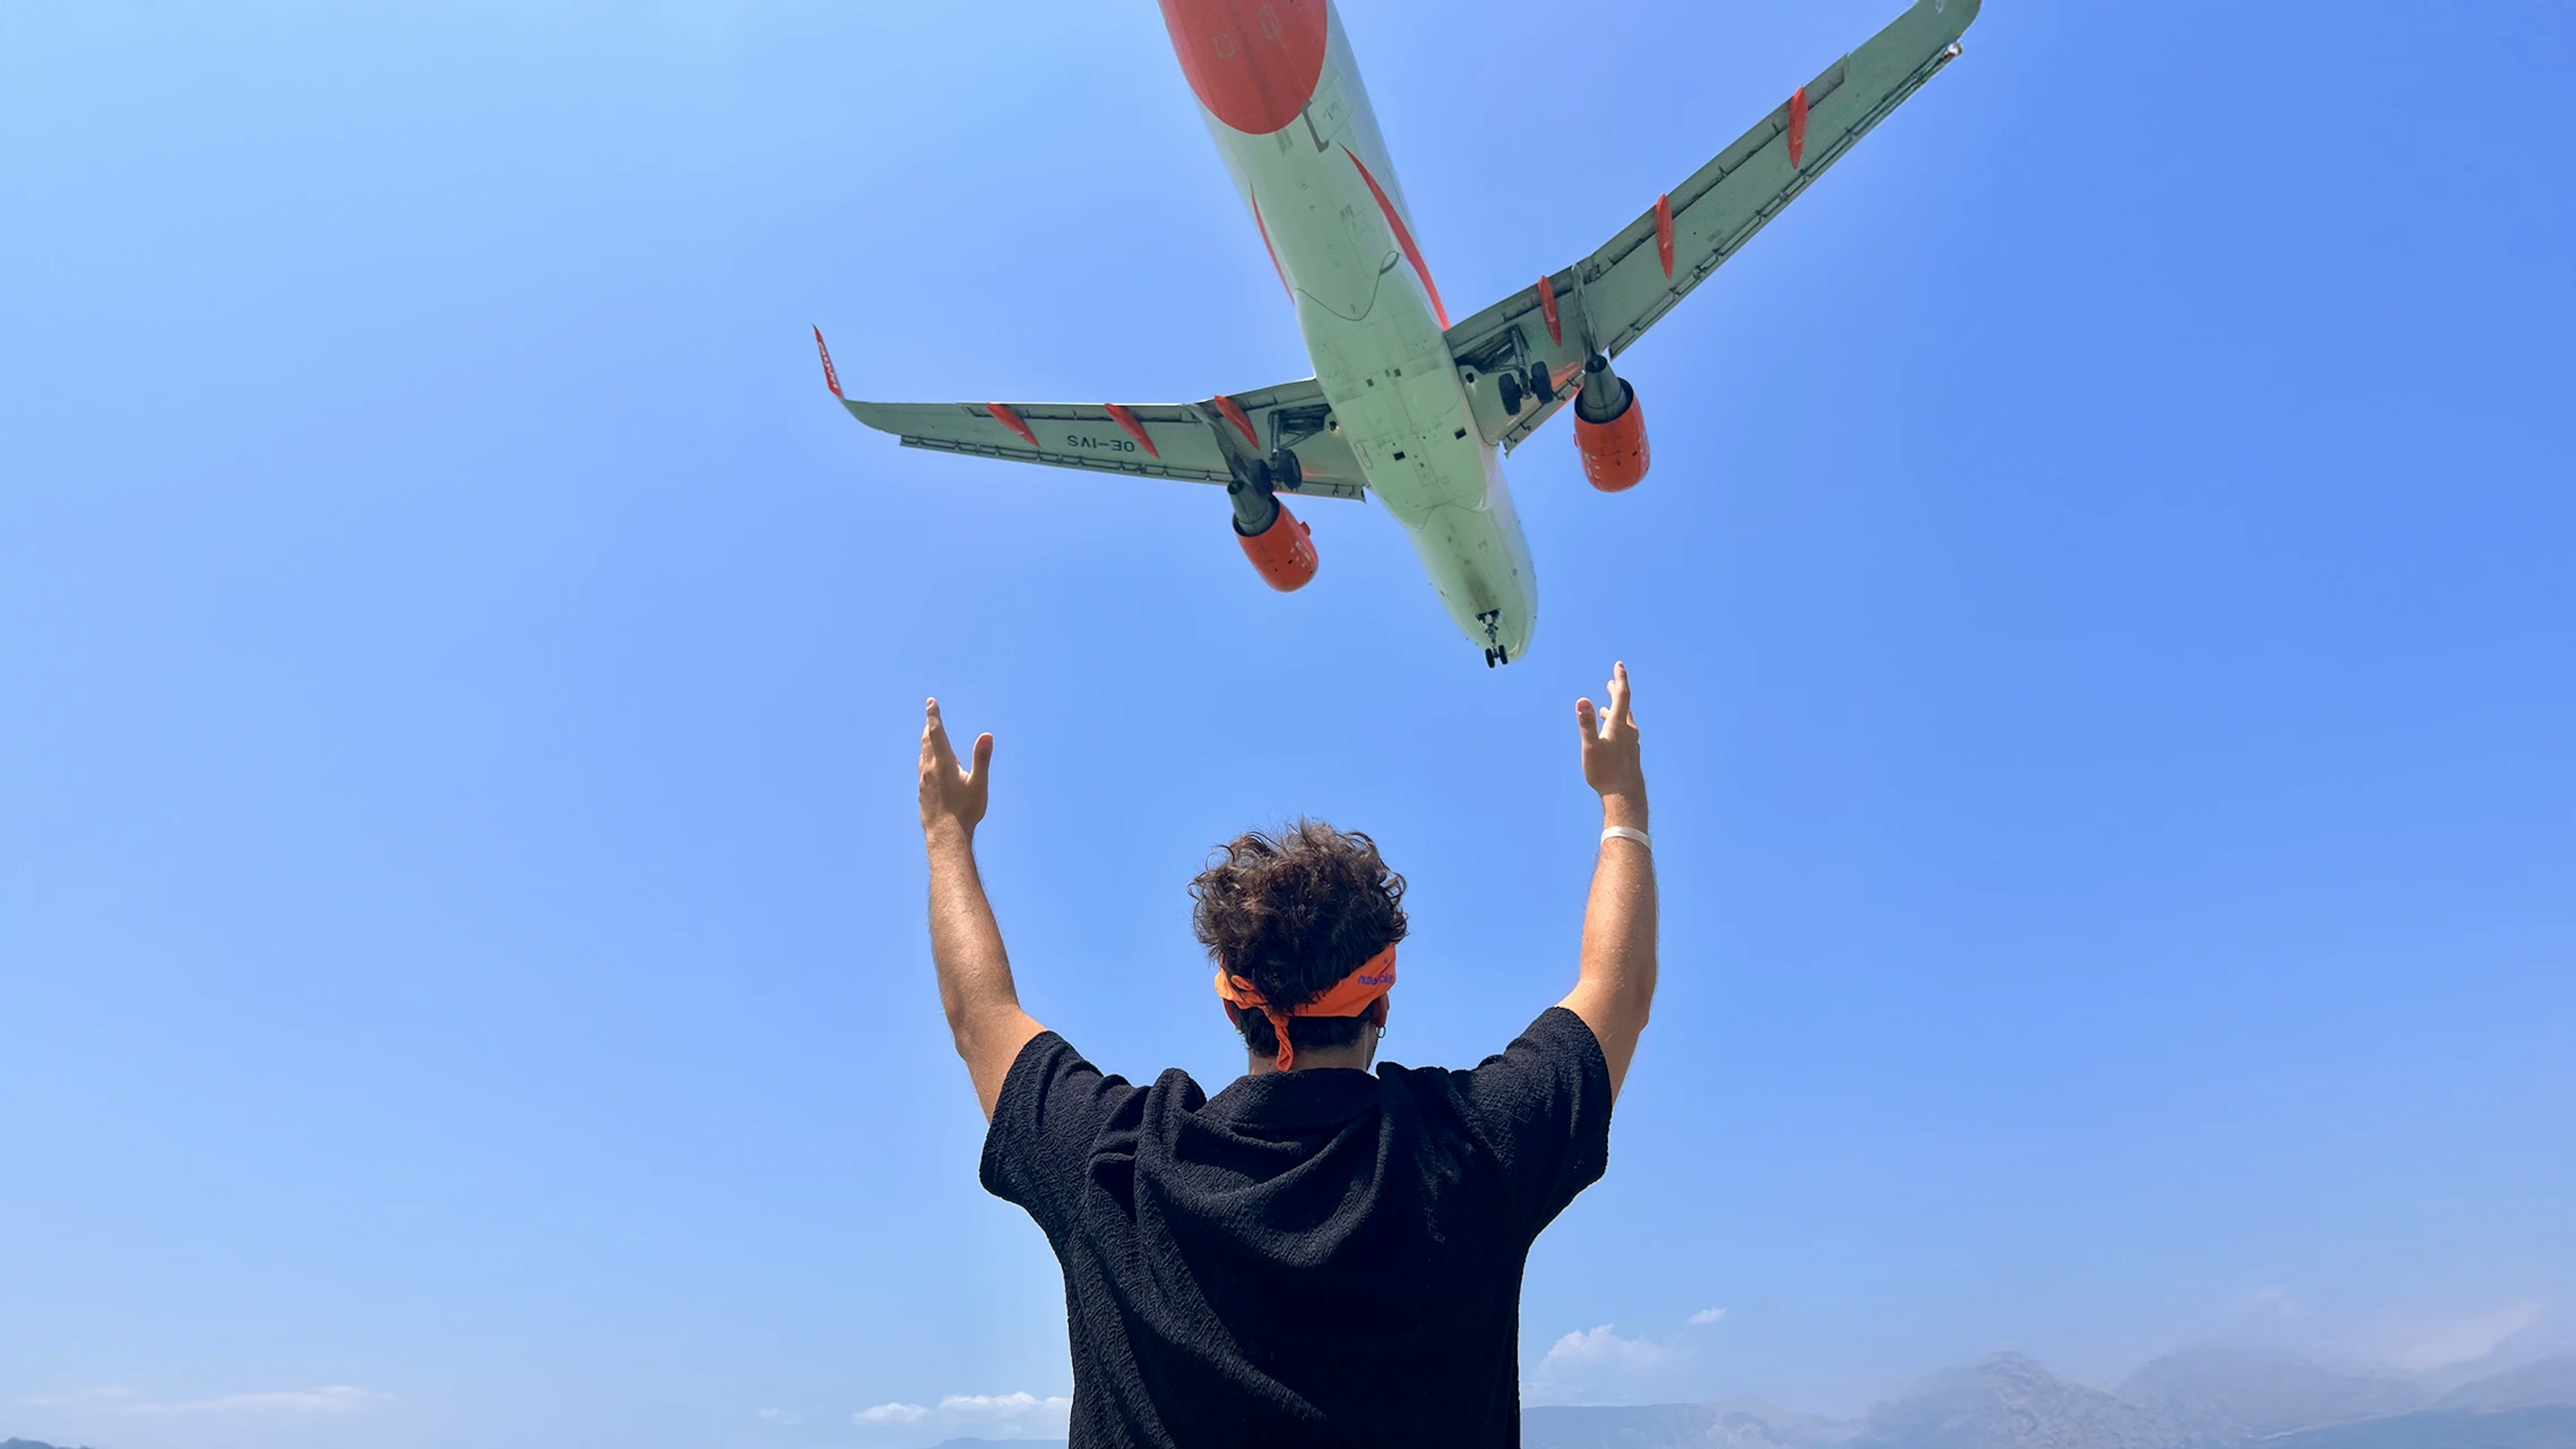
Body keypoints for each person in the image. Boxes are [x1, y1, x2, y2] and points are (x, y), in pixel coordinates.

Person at [916, 662, 1657, 1449]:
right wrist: (1623, 804)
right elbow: (1618, 988)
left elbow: (981, 1015)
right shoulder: (1468, 1150)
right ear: (1381, 1002)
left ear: (1236, 1006)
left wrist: (946, 837)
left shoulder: (1121, 1165)